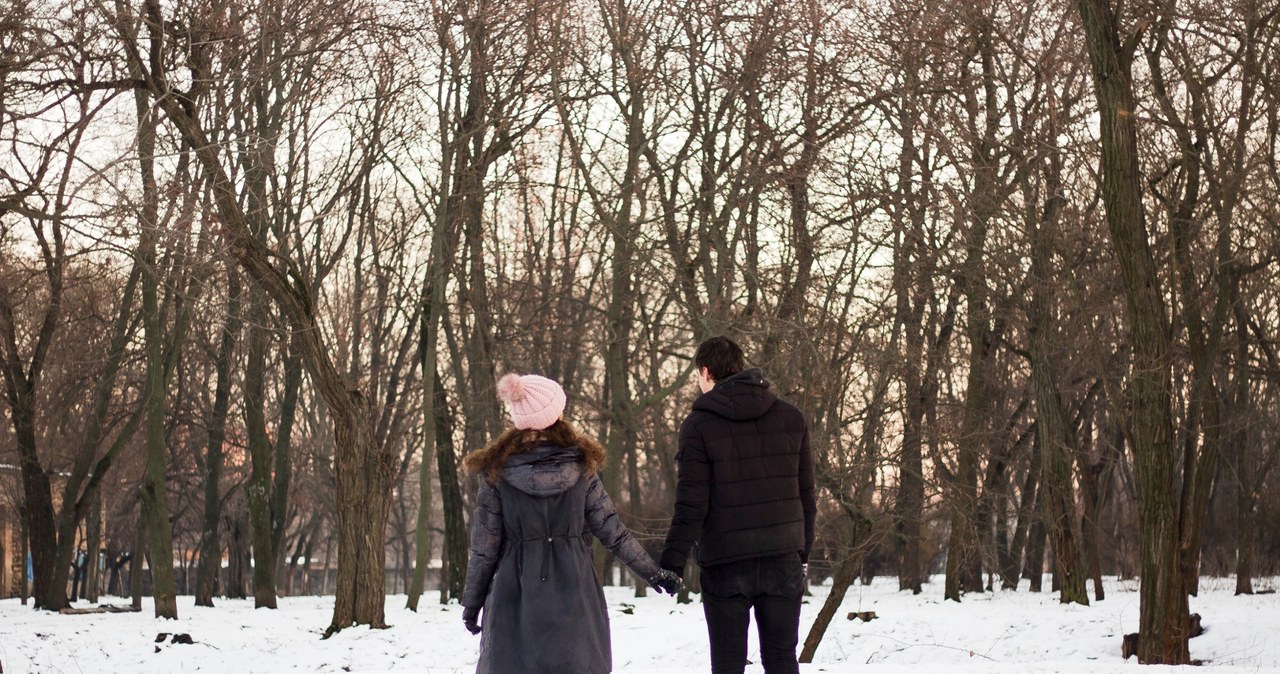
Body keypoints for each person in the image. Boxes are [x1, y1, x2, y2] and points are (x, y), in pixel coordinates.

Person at [460, 372, 682, 674]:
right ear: (556, 416)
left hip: (516, 592)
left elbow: (484, 548)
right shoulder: (582, 468)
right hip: (574, 588)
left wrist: (472, 605)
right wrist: (655, 574)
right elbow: (613, 532)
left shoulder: (497, 474)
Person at [660, 336, 816, 674]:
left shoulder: (698, 426)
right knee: (781, 660)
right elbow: (807, 495)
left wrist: (671, 563)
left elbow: (691, 503)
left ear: (705, 372)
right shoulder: (791, 417)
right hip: (782, 557)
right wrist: (803, 553)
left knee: (728, 664)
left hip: (725, 563)